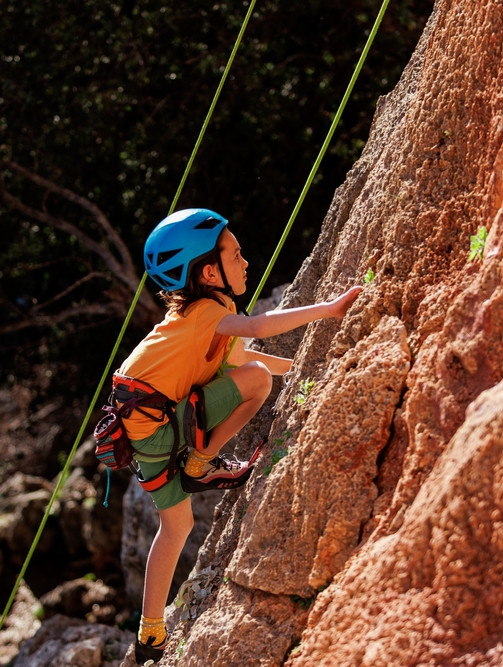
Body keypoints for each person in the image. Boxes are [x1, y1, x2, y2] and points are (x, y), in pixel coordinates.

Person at [114, 208, 362, 664]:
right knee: (257, 383)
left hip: (144, 428)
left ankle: (149, 634)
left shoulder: (202, 315)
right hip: (160, 425)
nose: (246, 262)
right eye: (236, 254)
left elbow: (242, 357)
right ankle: (201, 459)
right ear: (209, 271)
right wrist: (327, 311)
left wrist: (306, 369)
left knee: (176, 527)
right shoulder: (209, 312)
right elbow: (257, 332)